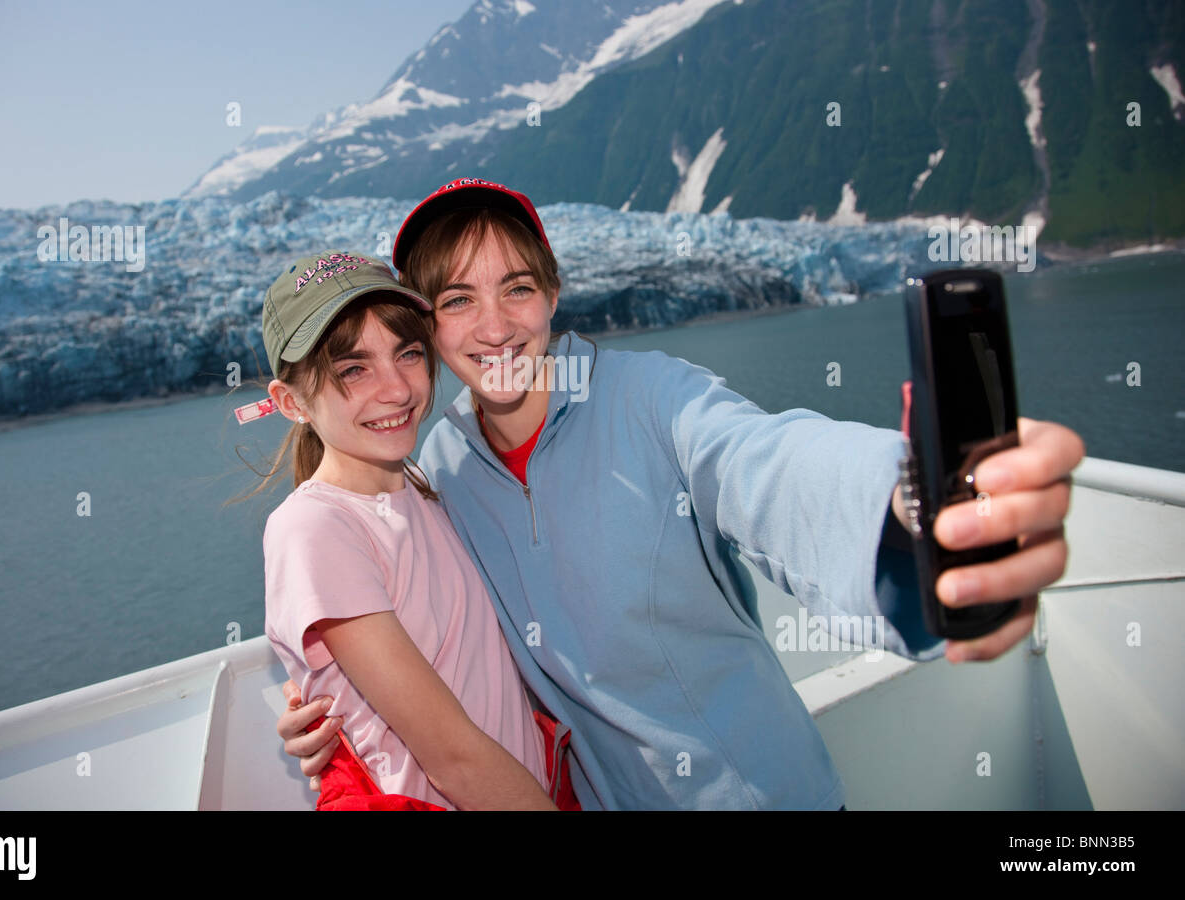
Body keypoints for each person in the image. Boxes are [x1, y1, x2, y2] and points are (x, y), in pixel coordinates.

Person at [276, 181, 1084, 810]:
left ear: (554, 295)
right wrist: (328, 709)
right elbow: (436, 617)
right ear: (432, 326)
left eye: (517, 288)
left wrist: (910, 504)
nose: (494, 327)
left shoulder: (651, 399)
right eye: (457, 300)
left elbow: (770, 463)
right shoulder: (444, 464)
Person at [246, 250, 578, 810]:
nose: (397, 390)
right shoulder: (314, 528)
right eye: (353, 370)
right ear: (290, 401)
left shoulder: (421, 489)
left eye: (408, 354)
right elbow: (451, 757)